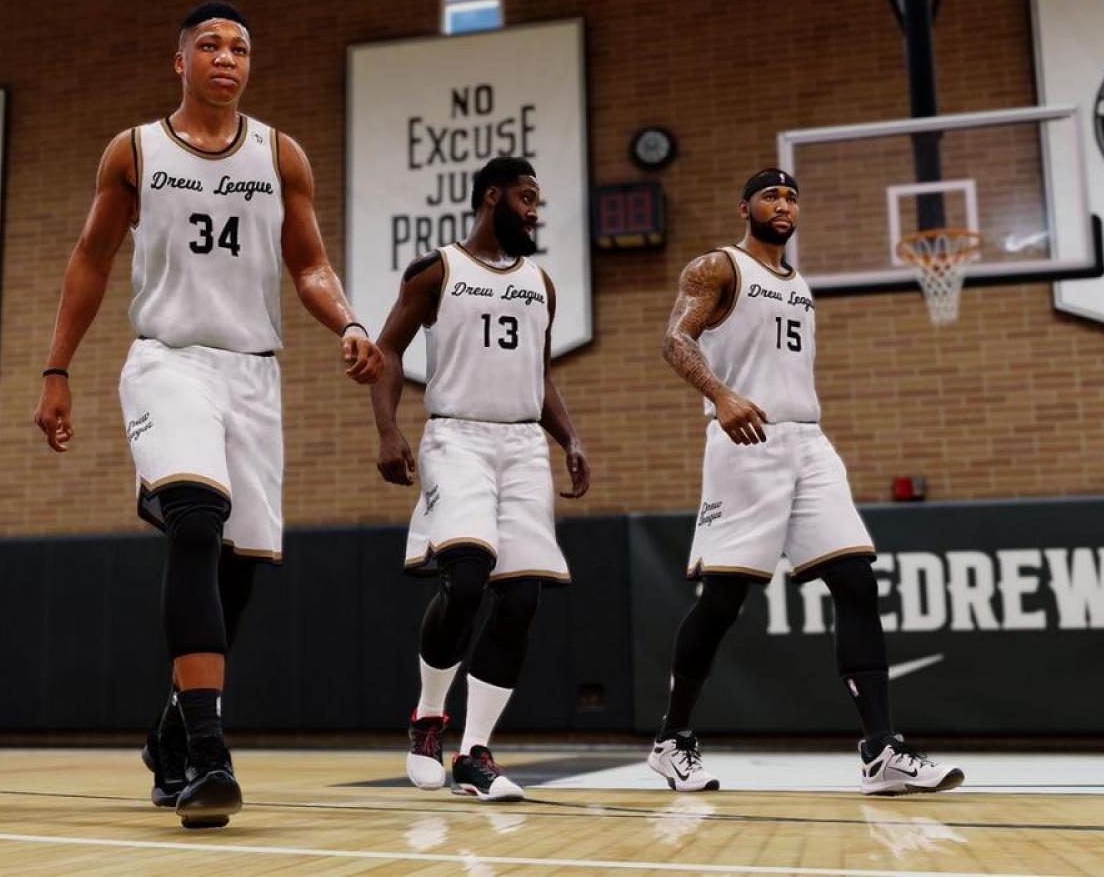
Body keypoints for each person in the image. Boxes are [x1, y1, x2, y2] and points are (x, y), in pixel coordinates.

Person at [33, 1, 381, 828]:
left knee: (238, 574)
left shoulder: (280, 154)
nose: (228, 58)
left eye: (241, 48)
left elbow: (309, 264)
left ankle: (167, 733)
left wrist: (349, 321)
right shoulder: (135, 150)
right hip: (169, 359)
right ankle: (209, 753)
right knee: (195, 522)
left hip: (252, 373)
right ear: (180, 61)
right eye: (212, 46)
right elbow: (91, 258)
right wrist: (56, 369)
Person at [646, 168, 962, 796]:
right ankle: (671, 739)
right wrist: (721, 394)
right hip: (746, 438)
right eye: (771, 195)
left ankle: (881, 749)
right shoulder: (718, 267)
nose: (784, 205)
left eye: (792, 197)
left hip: (809, 441)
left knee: (856, 581)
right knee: (724, 599)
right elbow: (675, 340)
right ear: (745, 207)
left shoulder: (798, 281)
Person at [370, 157, 590, 801]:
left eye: (538, 200)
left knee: (521, 600)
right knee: (466, 578)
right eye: (526, 197)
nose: (534, 210)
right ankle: (428, 718)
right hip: (457, 436)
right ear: (492, 196)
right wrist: (387, 429)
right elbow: (388, 351)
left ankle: (474, 753)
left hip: (522, 446)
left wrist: (570, 438)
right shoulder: (437, 269)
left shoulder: (540, 283)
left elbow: (539, 375)